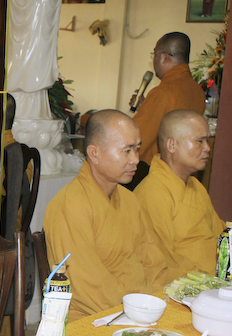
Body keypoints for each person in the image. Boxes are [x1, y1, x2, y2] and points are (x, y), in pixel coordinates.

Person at [43, 110, 167, 321]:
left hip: (141, 311)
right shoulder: (70, 205)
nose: (136, 160)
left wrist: (154, 304)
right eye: (126, 151)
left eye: (137, 149)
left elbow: (154, 263)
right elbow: (86, 286)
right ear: (94, 153)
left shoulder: (130, 201)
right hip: (92, 320)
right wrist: (137, 313)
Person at [134, 110, 225, 282]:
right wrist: (208, 282)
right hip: (189, 287)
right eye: (200, 141)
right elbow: (161, 259)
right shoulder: (151, 192)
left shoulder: (196, 187)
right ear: (172, 145)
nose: (207, 147)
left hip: (219, 282)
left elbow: (221, 236)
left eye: (207, 140)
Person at [131, 32, 206, 164]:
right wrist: (146, 107)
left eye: (154, 54)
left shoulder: (163, 92)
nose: (153, 60)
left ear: (165, 57)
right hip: (183, 169)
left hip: (158, 169)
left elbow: (136, 141)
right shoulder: (197, 90)